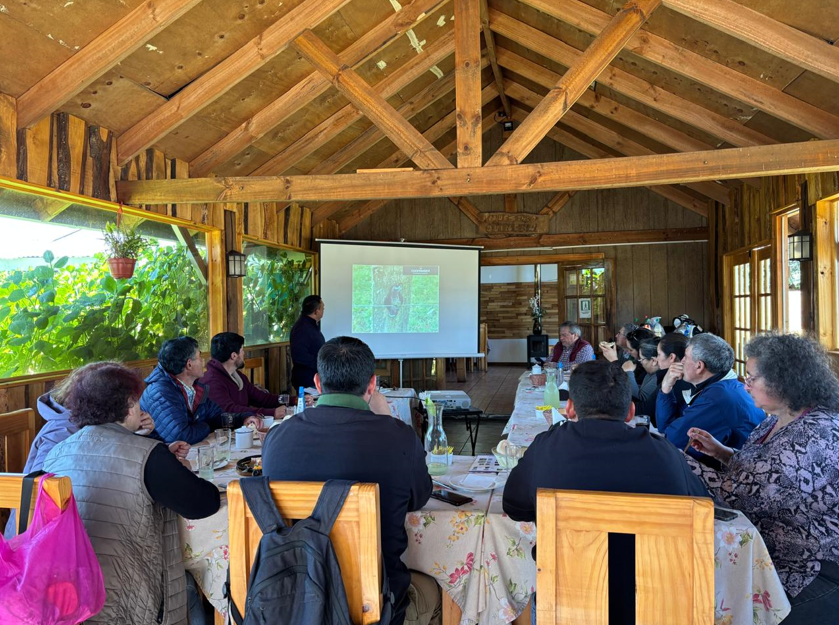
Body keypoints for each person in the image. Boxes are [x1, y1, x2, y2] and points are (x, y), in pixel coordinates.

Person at [503, 359, 708, 625]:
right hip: (655, 604)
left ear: (569, 408)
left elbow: (514, 506)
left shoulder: (547, 447)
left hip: (566, 599)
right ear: (630, 412)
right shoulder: (665, 453)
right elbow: (700, 506)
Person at [262, 336, 439, 625]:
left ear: (317, 383)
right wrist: (389, 418)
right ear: (372, 385)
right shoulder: (398, 438)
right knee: (439, 588)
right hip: (374, 606)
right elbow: (419, 497)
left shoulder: (277, 438)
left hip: (289, 604)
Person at [43, 363, 220, 625]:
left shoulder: (56, 453)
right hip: (131, 598)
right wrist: (180, 469)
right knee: (191, 584)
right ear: (129, 405)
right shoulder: (148, 455)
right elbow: (204, 503)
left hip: (69, 594)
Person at [686, 333, 839, 622]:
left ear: (784, 382)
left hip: (810, 568)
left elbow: (742, 497)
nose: (746, 385)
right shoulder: (778, 419)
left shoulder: (814, 434)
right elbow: (762, 471)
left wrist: (674, 460)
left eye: (752, 378)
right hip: (770, 554)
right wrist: (721, 452)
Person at [3, 362, 157, 539]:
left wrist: (133, 432)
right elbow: (41, 493)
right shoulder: (60, 433)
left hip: (75, 524)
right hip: (40, 540)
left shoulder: (91, 427)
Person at [656, 333, 765, 459]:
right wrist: (666, 388)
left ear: (699, 366)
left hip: (735, 469)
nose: (682, 361)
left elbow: (671, 439)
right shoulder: (727, 386)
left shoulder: (716, 398)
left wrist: (665, 386)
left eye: (685, 357)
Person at [140, 336, 261, 445]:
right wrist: (207, 425)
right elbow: (181, 436)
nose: (203, 361)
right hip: (160, 458)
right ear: (189, 365)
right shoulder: (160, 393)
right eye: (199, 357)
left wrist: (243, 418)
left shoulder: (194, 387)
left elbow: (216, 416)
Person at [200, 332, 287, 419]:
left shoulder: (238, 376)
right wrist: (271, 413)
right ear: (234, 356)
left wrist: (291, 400)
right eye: (242, 350)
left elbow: (261, 398)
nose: (243, 353)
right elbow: (229, 410)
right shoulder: (211, 381)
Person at [289, 294, 326, 389]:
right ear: (316, 311)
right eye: (322, 308)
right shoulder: (302, 328)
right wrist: (321, 364)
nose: (323, 310)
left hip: (313, 378)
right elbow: (299, 355)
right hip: (307, 381)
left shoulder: (310, 325)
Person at [626, 339, 660, 419]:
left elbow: (641, 398)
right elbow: (642, 389)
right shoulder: (650, 373)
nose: (641, 363)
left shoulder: (658, 376)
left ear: (653, 360)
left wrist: (629, 372)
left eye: (642, 359)